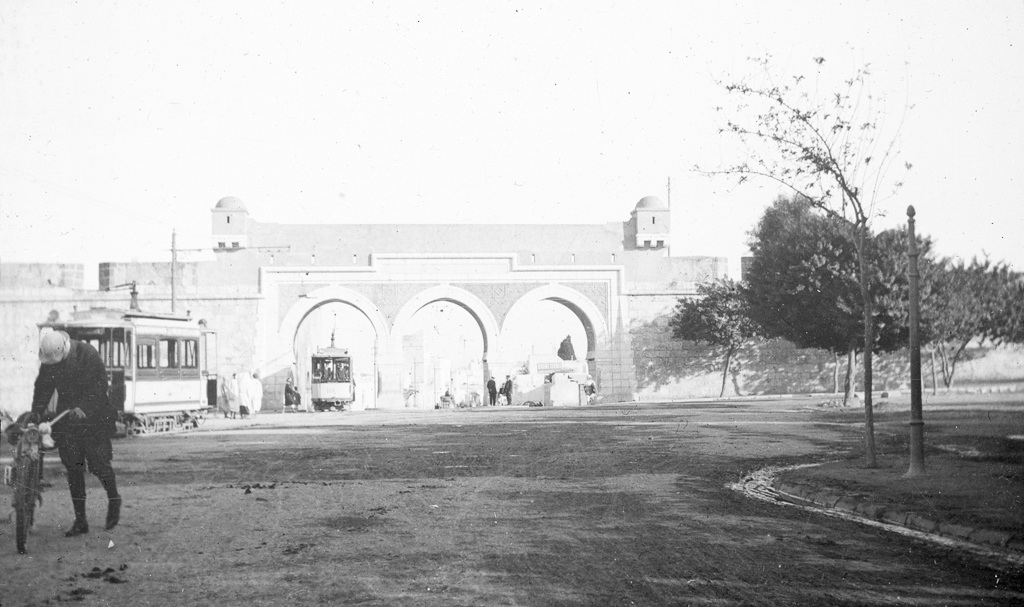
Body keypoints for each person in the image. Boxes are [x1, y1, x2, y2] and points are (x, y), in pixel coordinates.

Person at [30, 330, 120, 536]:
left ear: (65, 348)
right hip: (68, 418)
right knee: (73, 467)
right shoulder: (51, 359)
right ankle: (81, 521)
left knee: (99, 465)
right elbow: (43, 388)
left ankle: (114, 499)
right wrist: (36, 412)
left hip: (94, 416)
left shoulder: (87, 354)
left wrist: (83, 408)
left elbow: (100, 387)